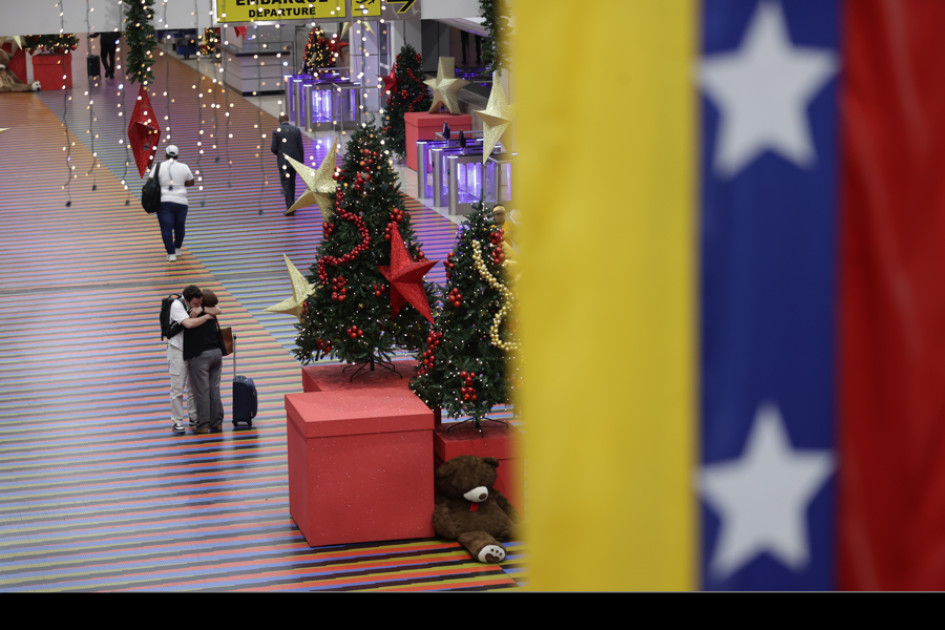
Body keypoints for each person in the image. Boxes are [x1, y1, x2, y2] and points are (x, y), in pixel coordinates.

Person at [166, 284, 220, 434]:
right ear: (188, 301)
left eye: (200, 302)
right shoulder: (177, 305)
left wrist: (202, 310)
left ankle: (194, 417)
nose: (198, 305)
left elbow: (218, 310)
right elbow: (188, 324)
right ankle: (177, 422)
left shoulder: (199, 303)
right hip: (177, 351)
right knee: (177, 388)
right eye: (195, 304)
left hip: (193, 351)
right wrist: (208, 316)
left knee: (193, 387)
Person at [183, 288, 226, 434]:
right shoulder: (213, 313)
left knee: (202, 391)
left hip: (200, 356)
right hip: (217, 354)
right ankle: (217, 422)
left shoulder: (194, 313)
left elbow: (187, 325)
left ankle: (203, 424)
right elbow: (218, 309)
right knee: (214, 389)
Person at [150, 144, 195, 262]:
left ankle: (171, 254)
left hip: (164, 201)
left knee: (166, 228)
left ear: (165, 155)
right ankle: (178, 248)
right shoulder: (184, 167)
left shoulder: (158, 166)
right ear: (177, 155)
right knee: (180, 226)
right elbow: (191, 182)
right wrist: (179, 184)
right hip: (181, 202)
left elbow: (150, 181)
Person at [270, 113, 304, 216]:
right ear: (288, 119)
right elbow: (300, 148)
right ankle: (292, 206)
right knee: (292, 183)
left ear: (279, 120)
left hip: (284, 162)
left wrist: (280, 154)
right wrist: (301, 163)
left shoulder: (276, 132)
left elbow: (273, 148)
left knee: (286, 185)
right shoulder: (296, 130)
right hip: (295, 162)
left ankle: (290, 208)